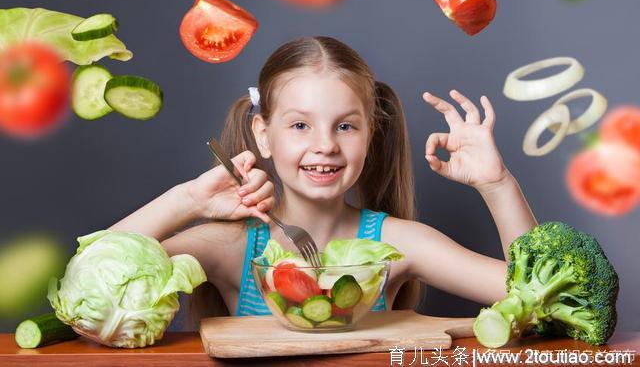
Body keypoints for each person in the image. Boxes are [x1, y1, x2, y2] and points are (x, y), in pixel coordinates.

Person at [110, 36, 538, 328]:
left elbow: (541, 299)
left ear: (371, 133)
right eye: (300, 125)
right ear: (264, 134)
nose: (325, 145)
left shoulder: (399, 244)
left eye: (346, 127)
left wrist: (496, 184)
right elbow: (98, 276)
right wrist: (186, 200)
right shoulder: (232, 248)